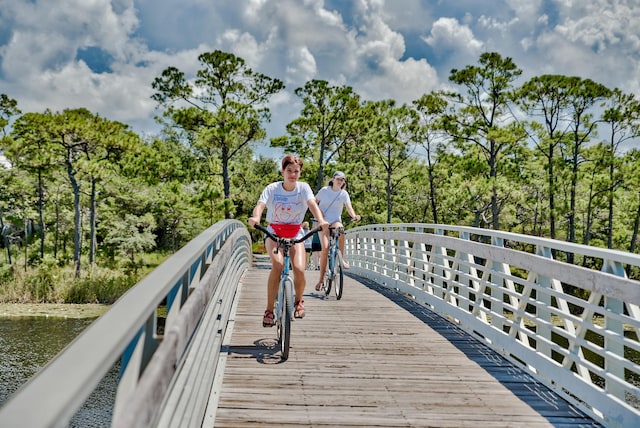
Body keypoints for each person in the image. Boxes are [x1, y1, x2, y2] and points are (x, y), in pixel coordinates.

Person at [248, 154, 328, 327]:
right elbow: (260, 205)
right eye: (289, 170)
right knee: (278, 265)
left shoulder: (303, 188)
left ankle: (298, 301)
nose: (292, 174)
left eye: (296, 171)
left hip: (296, 233)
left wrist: (320, 220)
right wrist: (256, 217)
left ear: (300, 173)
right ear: (282, 171)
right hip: (274, 232)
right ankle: (269, 310)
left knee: (299, 269)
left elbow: (312, 204)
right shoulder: (272, 188)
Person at [314, 171, 361, 291]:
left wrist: (354, 215)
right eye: (338, 179)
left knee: (341, 230)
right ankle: (320, 280)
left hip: (335, 220)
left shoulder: (343, 194)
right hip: (323, 221)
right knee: (325, 248)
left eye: (342, 180)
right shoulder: (324, 190)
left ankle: (341, 258)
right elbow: (314, 203)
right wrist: (319, 214)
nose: (340, 181)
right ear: (333, 179)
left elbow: (349, 207)